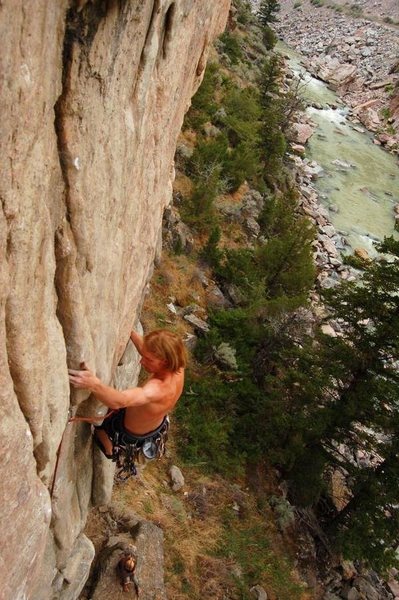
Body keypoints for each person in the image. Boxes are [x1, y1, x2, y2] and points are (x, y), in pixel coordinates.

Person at [68, 329, 187, 466]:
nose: (141, 361)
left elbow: (120, 401)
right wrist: (129, 331)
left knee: (100, 427)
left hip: (126, 432)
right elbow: (148, 348)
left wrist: (93, 384)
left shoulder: (156, 390)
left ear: (164, 362)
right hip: (156, 424)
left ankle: (110, 449)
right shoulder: (177, 362)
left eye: (148, 359)